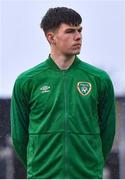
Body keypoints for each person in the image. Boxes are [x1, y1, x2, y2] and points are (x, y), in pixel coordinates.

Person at [10, 7, 116, 179]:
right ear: (51, 37)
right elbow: (19, 138)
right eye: (70, 31)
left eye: (80, 30)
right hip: (42, 176)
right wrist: (39, 166)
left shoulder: (99, 79)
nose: (78, 36)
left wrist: (90, 165)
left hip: (87, 176)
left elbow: (107, 133)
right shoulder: (27, 81)